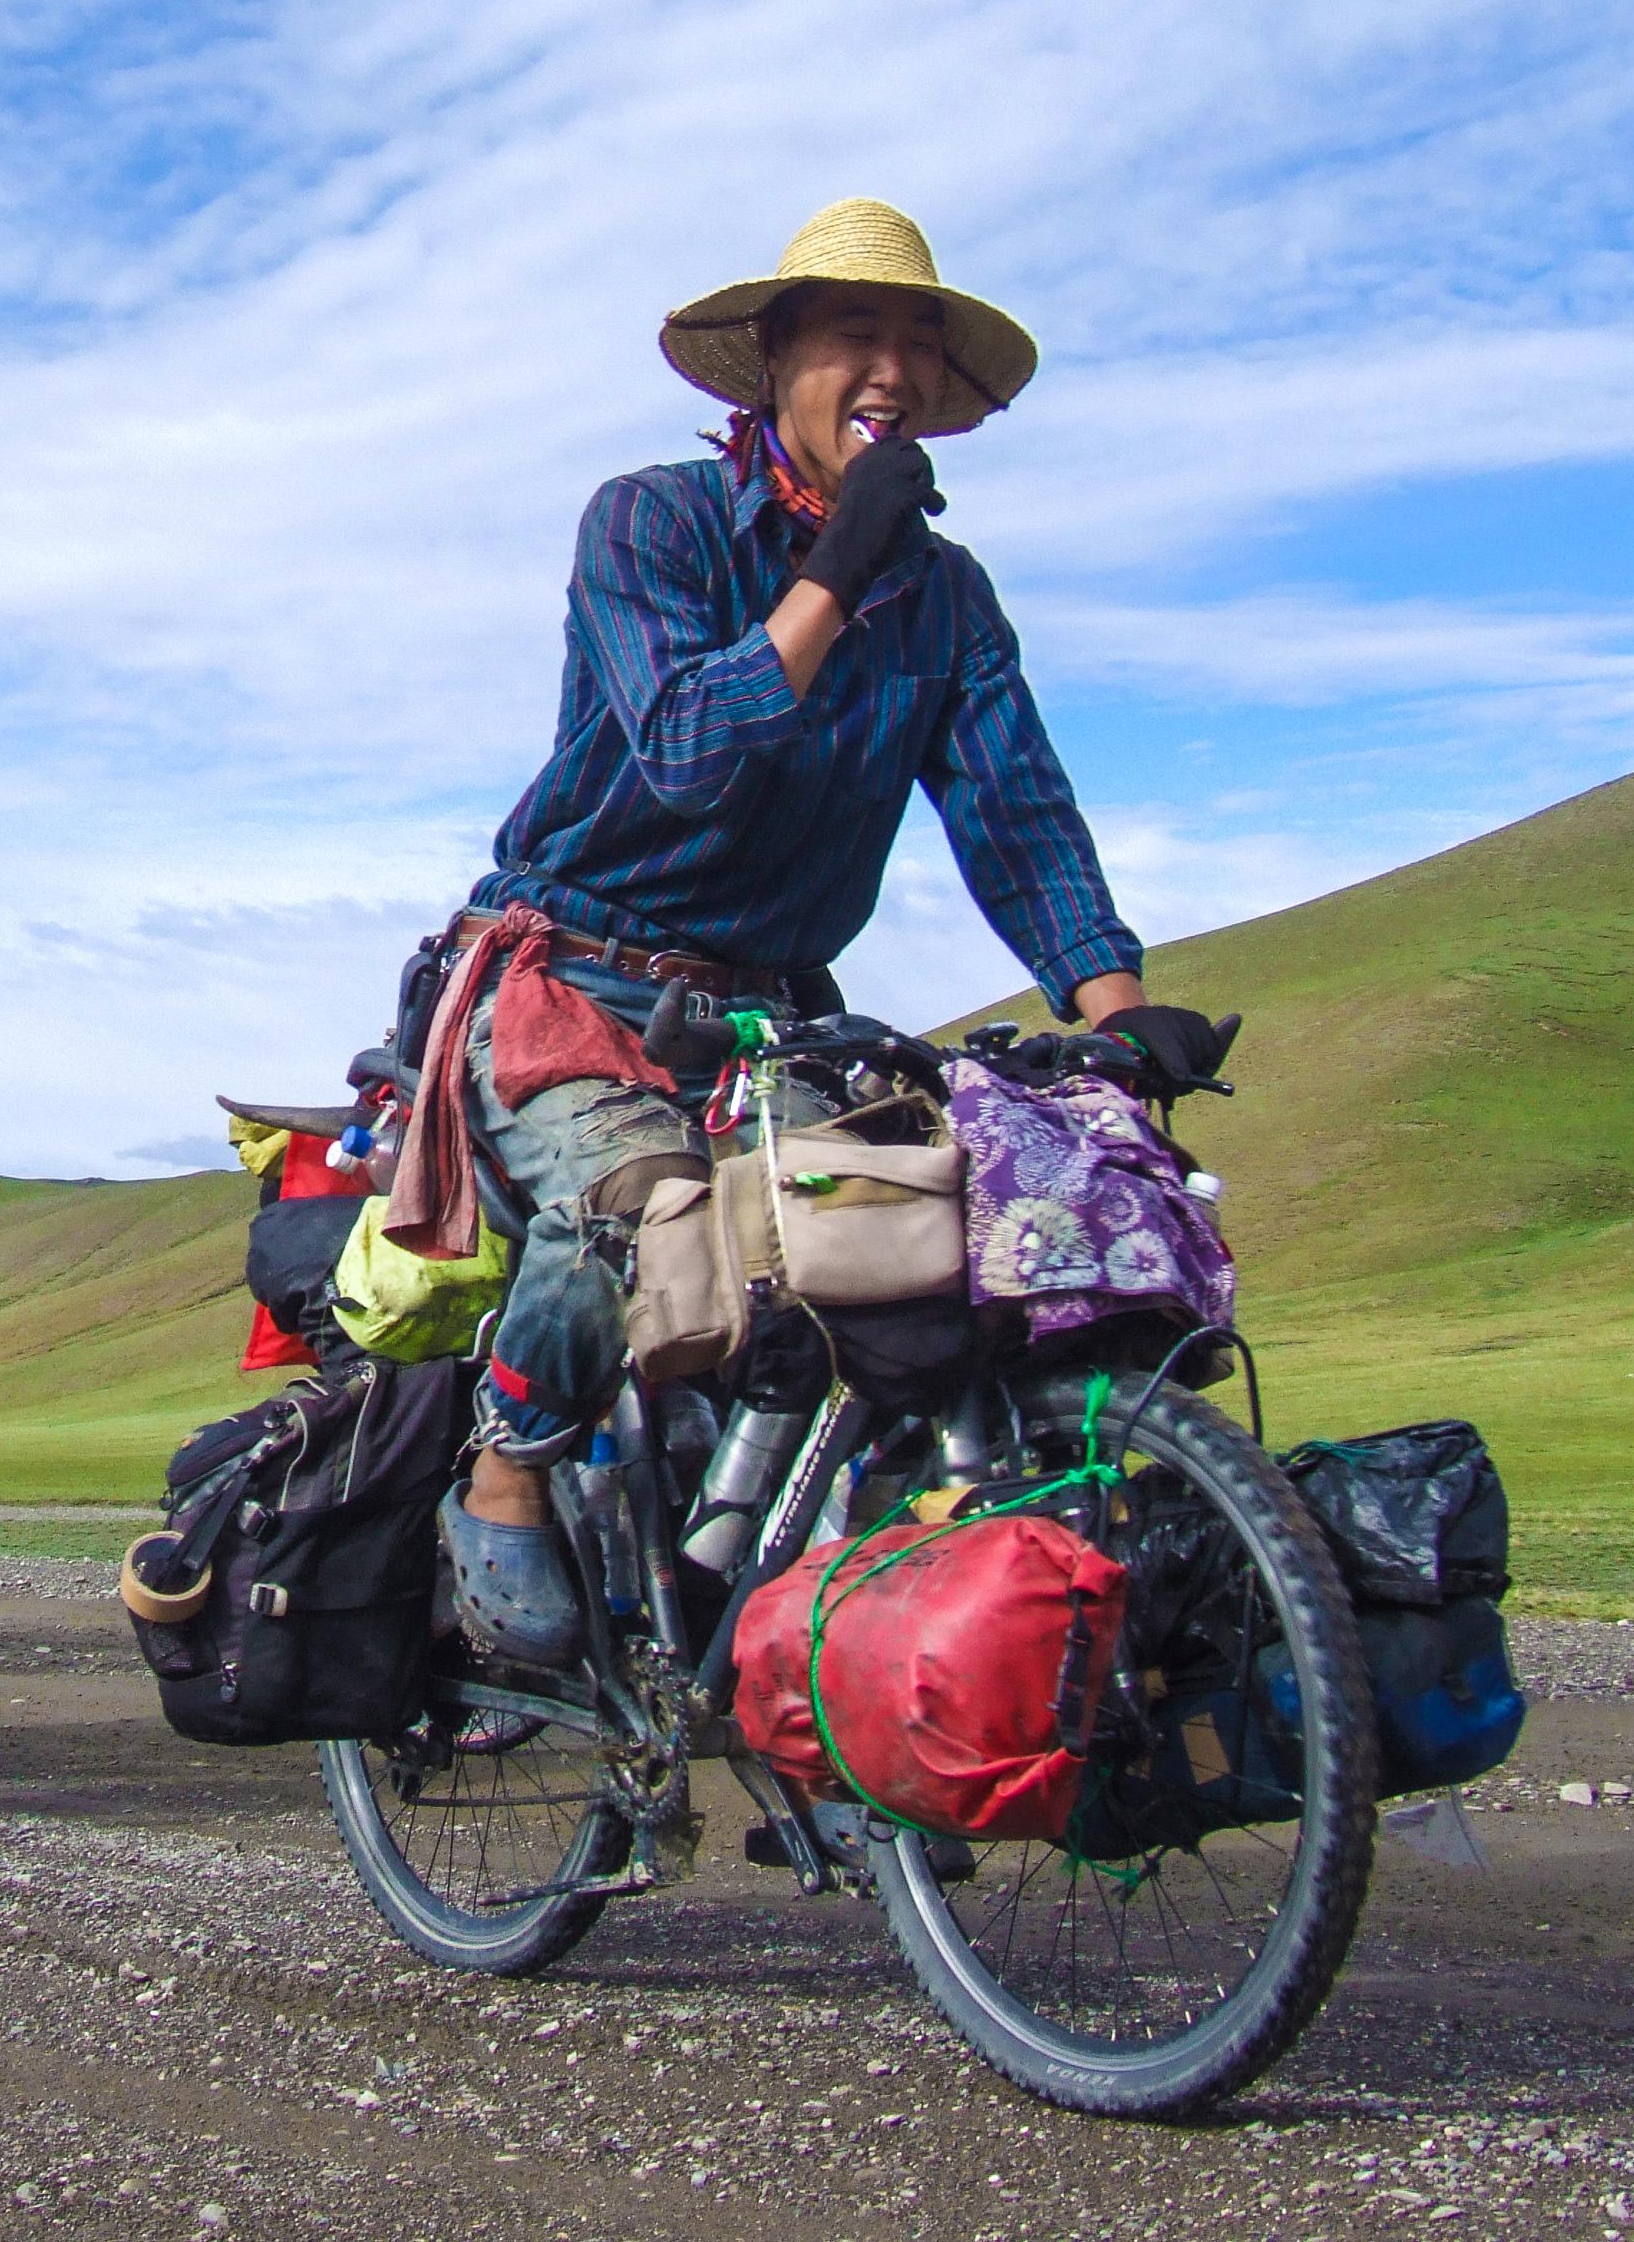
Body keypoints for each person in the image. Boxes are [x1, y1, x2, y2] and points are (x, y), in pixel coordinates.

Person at [407, 196, 1236, 1665]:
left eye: (921, 347)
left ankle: (809, 1617)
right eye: (859, 334)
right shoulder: (648, 522)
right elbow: (683, 747)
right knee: (645, 1221)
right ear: (774, 361)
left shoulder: (946, 599)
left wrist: (1114, 1008)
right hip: (574, 977)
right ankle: (503, 1481)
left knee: (892, 1257)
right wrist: (833, 571)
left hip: (774, 1005)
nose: (894, 373)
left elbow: (1014, 809)